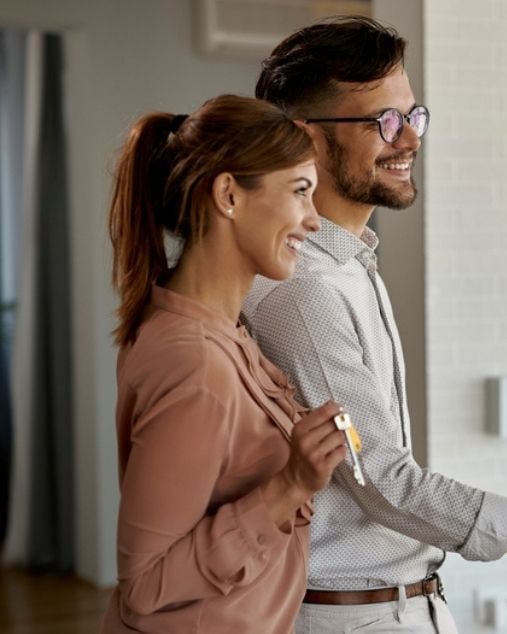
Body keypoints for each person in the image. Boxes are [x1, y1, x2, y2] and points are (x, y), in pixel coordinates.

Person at [244, 17, 507, 633]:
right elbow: (383, 481)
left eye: (413, 116)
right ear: (305, 138)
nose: (410, 139)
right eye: (384, 122)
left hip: (398, 605)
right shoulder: (304, 291)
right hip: (354, 619)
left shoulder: (350, 263)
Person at [102, 95, 350, 633]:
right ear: (229, 194)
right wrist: (290, 486)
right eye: (300, 192)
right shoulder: (195, 362)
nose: (313, 220)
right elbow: (144, 585)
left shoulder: (215, 331)